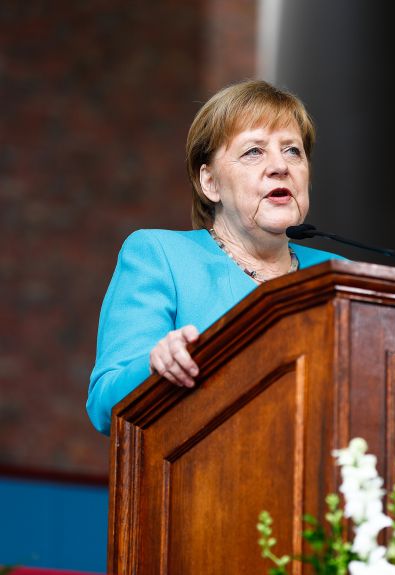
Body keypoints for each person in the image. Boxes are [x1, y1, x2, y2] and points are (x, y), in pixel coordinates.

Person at [87, 80, 345, 435]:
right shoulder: (160, 255)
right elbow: (104, 405)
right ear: (210, 182)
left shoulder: (337, 276)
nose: (279, 166)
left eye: (292, 151)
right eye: (254, 151)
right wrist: (153, 367)